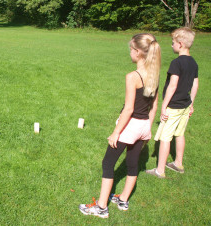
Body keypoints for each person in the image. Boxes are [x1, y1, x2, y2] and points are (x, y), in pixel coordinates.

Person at [79, 33, 161, 218]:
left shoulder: (133, 76)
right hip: (144, 126)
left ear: (138, 52)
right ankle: (123, 200)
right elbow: (154, 106)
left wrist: (116, 132)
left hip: (130, 126)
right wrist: (147, 127)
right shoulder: (155, 74)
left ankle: (101, 207)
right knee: (133, 163)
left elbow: (129, 109)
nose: (129, 53)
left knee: (107, 163)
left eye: (131, 49)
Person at [146, 27, 199, 179]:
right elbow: (195, 85)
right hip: (185, 105)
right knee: (180, 134)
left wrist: (164, 106)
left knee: (165, 137)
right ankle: (178, 163)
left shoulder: (176, 63)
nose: (172, 45)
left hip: (174, 106)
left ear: (180, 44)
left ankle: (160, 170)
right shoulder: (193, 62)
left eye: (173, 42)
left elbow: (173, 85)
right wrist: (191, 104)